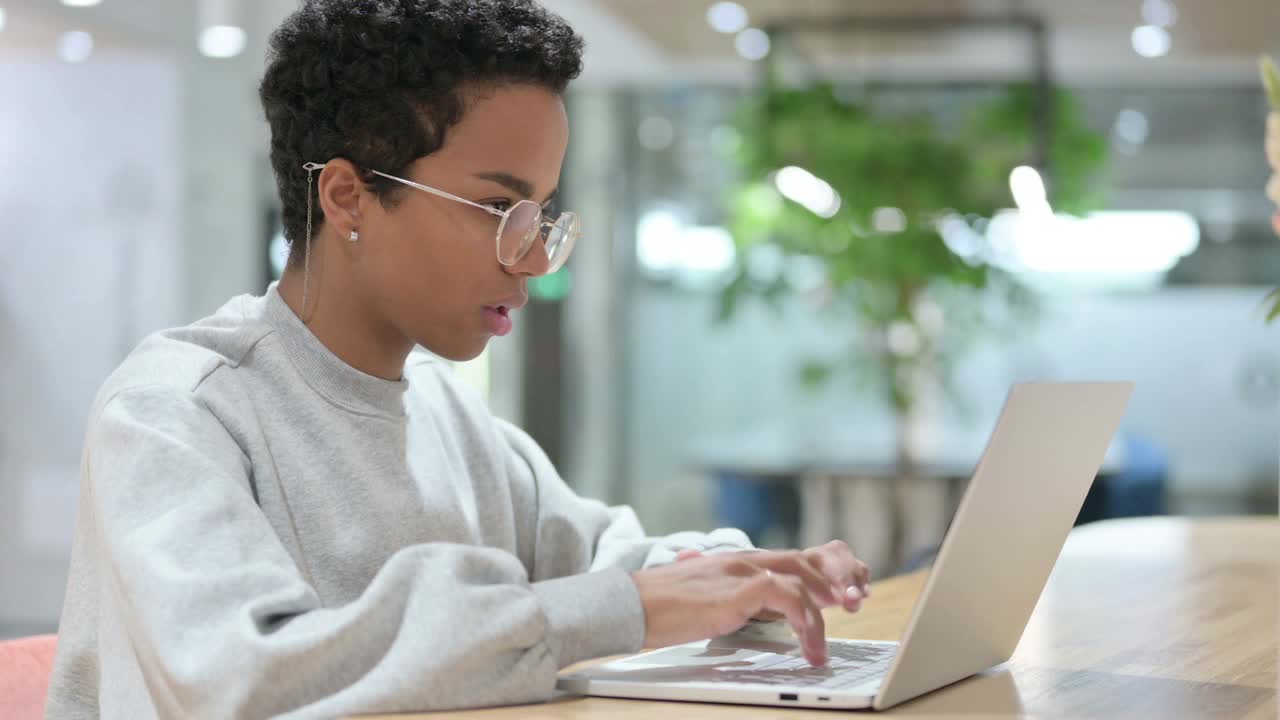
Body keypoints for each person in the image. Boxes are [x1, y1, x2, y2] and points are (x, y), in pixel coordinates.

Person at [44, 1, 870, 717]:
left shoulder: (448, 411)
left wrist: (747, 574)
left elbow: (601, 560)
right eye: (498, 208)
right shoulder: (175, 413)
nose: (536, 259)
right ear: (347, 197)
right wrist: (623, 607)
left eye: (543, 214)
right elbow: (242, 681)